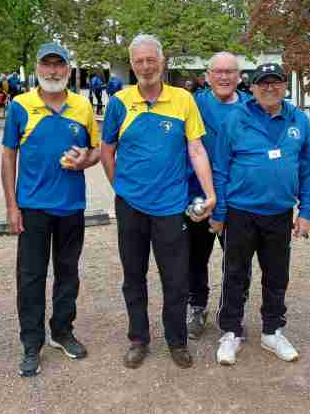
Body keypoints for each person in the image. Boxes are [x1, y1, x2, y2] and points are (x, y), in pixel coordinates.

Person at [100, 34, 216, 370]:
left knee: (176, 279)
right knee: (133, 275)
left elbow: (196, 149)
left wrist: (210, 193)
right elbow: (107, 150)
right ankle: (138, 339)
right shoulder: (119, 102)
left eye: (151, 60)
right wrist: (120, 187)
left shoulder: (183, 100)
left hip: (171, 206)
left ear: (162, 62)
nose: (146, 66)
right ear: (132, 64)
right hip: (131, 206)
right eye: (139, 61)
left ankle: (177, 341)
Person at [1, 42, 101, 377]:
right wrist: (12, 206)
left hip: (71, 205)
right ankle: (31, 343)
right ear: (37, 69)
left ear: (68, 69)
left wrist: (84, 159)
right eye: (47, 65)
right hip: (33, 207)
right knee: (31, 277)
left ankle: (62, 331)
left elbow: (96, 150)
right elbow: (8, 156)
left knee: (67, 272)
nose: (53, 71)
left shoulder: (82, 106)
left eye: (59, 65)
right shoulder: (20, 106)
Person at [209, 62, 310, 365]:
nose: (270, 88)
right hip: (240, 212)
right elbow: (220, 168)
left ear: (285, 86)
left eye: (276, 82)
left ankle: (273, 330)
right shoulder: (236, 118)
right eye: (263, 83)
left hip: (280, 213)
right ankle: (231, 332)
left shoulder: (299, 120)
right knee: (235, 274)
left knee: (277, 275)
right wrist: (219, 212)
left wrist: (306, 211)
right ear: (253, 88)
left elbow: (309, 168)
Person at [185, 52, 250, 340]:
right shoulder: (193, 104)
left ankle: (233, 313)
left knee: (237, 261)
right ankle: (196, 307)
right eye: (218, 72)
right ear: (207, 76)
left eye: (230, 71)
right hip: (198, 196)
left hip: (237, 199)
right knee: (195, 257)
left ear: (239, 76)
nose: (224, 77)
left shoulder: (251, 107)